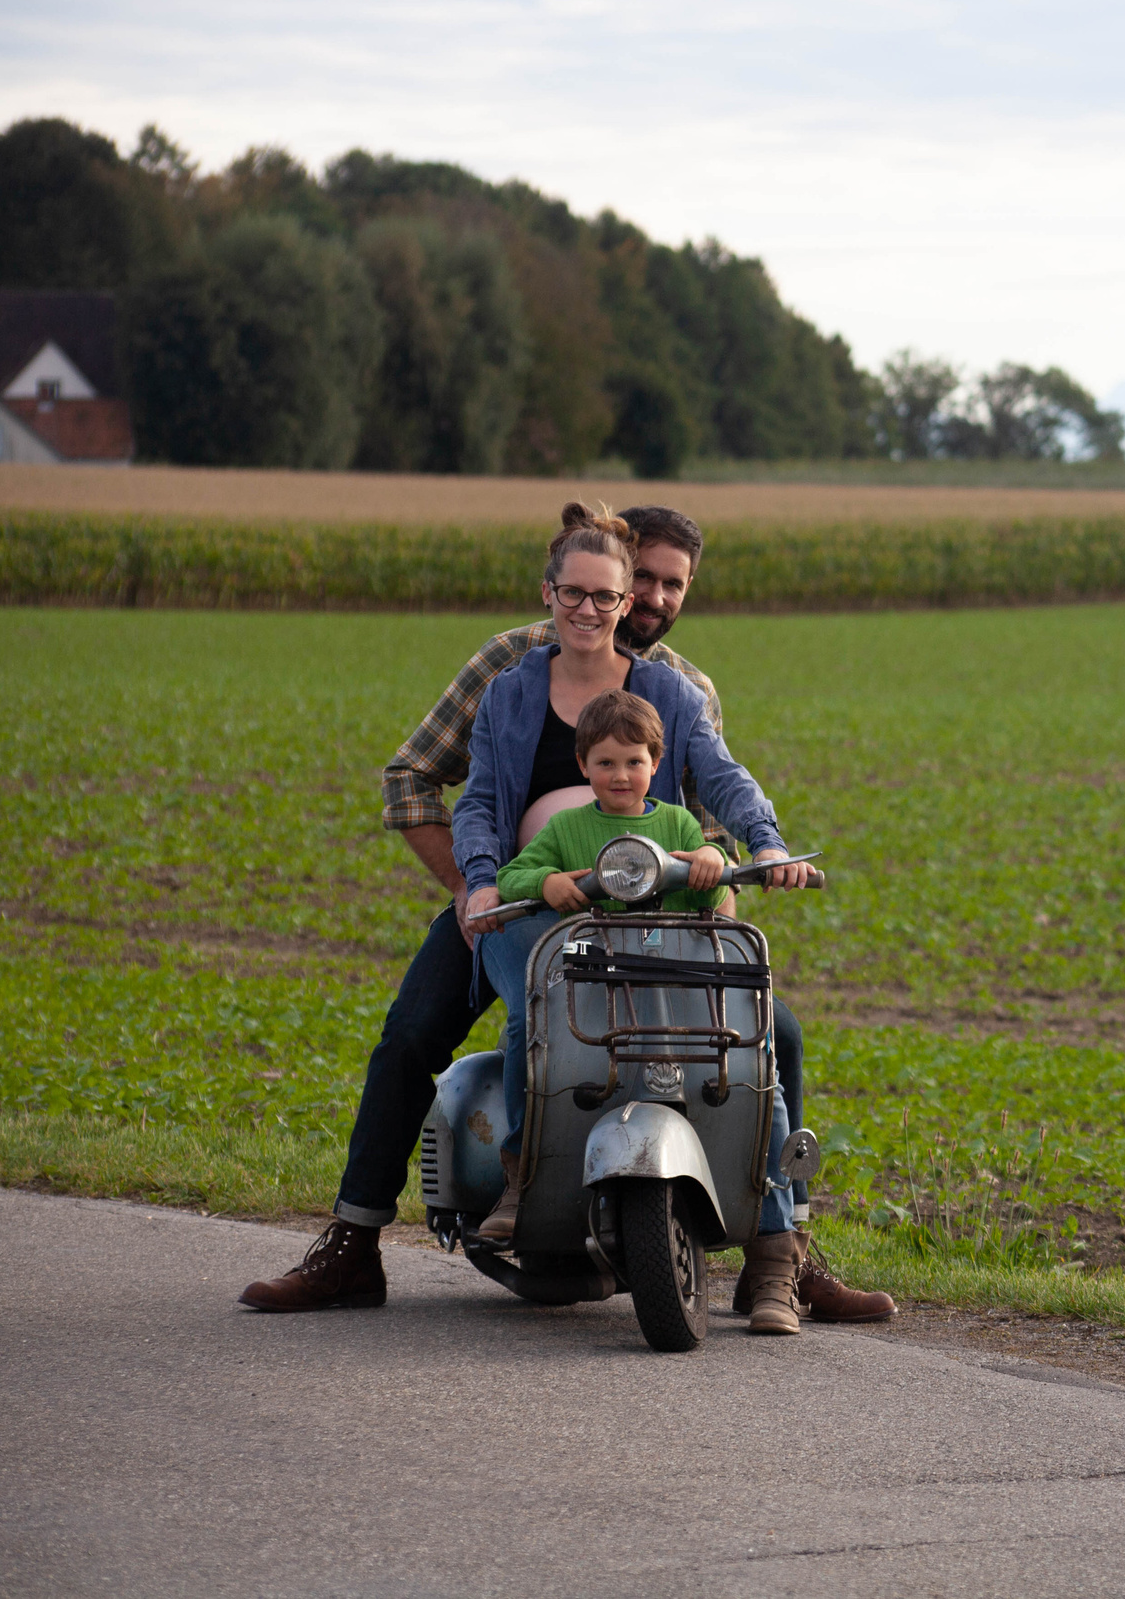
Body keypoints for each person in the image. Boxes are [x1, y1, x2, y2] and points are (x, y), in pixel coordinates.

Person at [239, 503, 894, 1323]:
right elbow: (460, 795)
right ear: (555, 588)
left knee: (774, 1029)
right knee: (412, 1033)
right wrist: (476, 885)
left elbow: (720, 786)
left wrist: (762, 850)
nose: (623, 602)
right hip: (518, 903)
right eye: (607, 586)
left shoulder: (680, 690)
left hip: (647, 910)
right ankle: (356, 1242)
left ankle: (781, 1249)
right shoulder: (510, 675)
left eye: (650, 589)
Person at [470, 688, 729, 1245]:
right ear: (583, 765)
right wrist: (547, 881)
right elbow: (513, 876)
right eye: (605, 762)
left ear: (656, 765)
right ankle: (522, 1172)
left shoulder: (680, 825)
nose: (620, 774)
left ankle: (728, 1169)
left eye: (634, 761)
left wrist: (713, 859)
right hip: (592, 958)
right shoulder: (566, 829)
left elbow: (713, 880)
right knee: (531, 1021)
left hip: (665, 960)